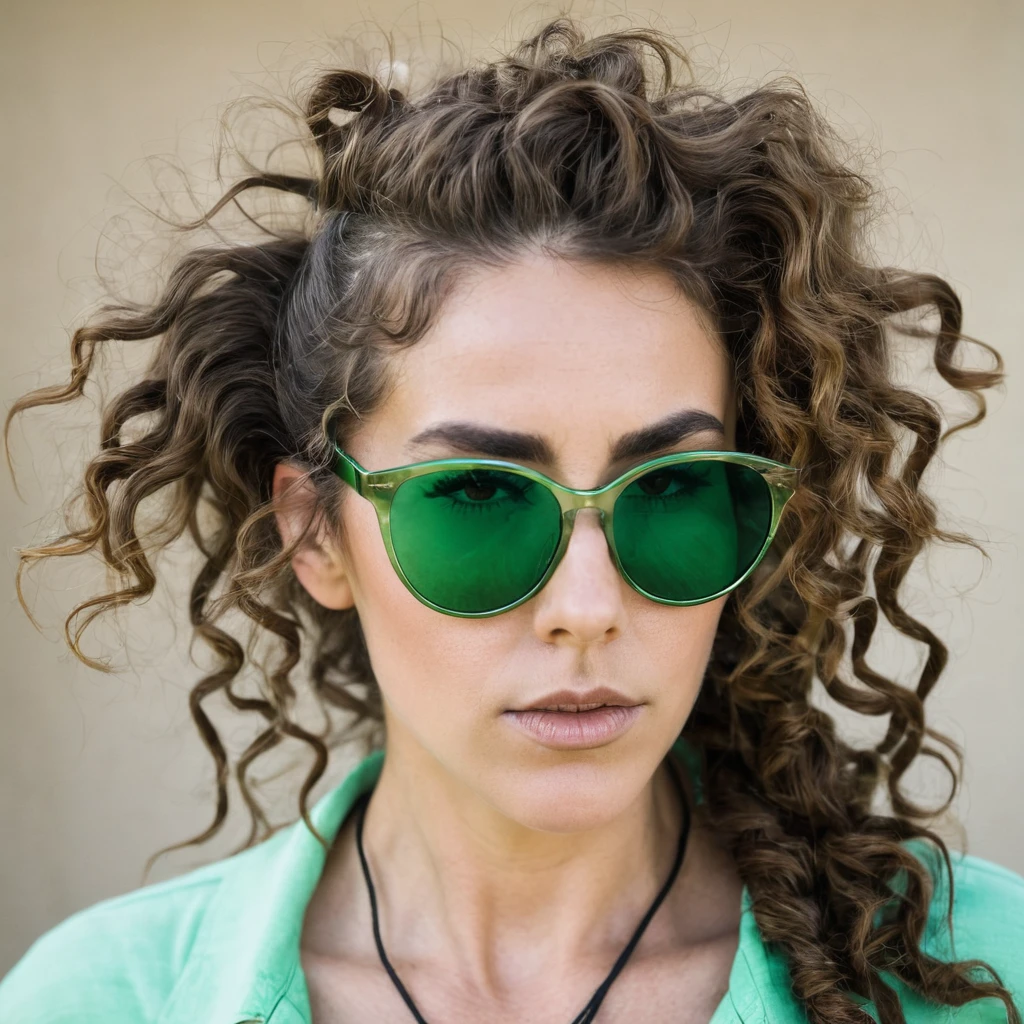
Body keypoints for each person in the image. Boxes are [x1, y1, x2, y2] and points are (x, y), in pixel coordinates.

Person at [1, 14, 1021, 1024]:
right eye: (479, 495)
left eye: (671, 488)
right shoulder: (93, 1000)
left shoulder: (985, 975)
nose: (586, 608)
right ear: (315, 532)